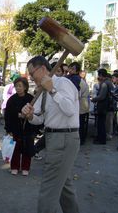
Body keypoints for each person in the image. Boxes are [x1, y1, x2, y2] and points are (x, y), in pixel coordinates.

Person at [21, 56, 80, 213]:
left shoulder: (63, 83)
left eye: (32, 74)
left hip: (65, 138)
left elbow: (70, 110)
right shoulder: (42, 91)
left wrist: (52, 90)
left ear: (42, 69)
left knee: (48, 190)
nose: (31, 78)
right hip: (52, 138)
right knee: (64, 187)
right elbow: (40, 118)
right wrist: (30, 116)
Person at [4, 77, 36, 176]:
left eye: (20, 86)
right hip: (15, 127)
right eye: (16, 86)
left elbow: (35, 113)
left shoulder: (31, 99)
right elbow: (7, 115)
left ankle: (26, 167)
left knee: (27, 148)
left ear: (25, 87)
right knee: (15, 148)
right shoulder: (12, 99)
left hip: (28, 128)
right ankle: (14, 167)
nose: (18, 88)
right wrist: (8, 128)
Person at [91, 69, 109, 145]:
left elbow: (101, 96)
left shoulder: (105, 84)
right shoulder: (106, 82)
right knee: (101, 123)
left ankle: (101, 139)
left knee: (101, 123)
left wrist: (93, 99)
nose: (98, 77)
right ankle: (100, 137)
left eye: (99, 75)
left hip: (103, 106)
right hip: (104, 105)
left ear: (101, 75)